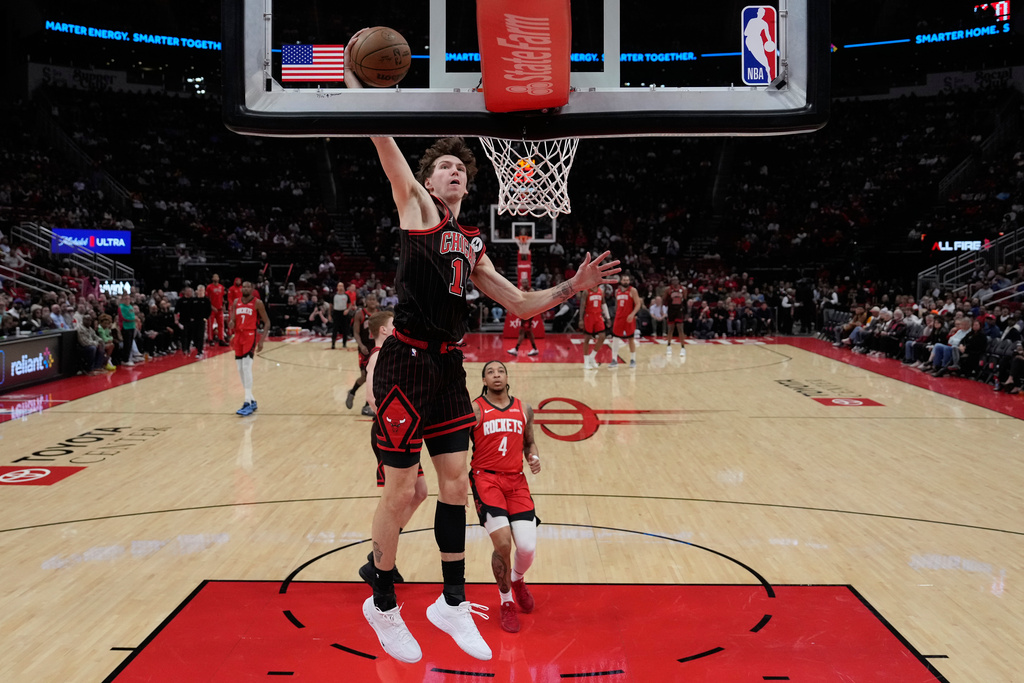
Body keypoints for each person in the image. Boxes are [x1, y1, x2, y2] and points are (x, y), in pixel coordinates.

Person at [347, 55, 619, 665]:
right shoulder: (415, 211)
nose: (452, 173)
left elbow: (520, 302)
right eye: (443, 166)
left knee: (451, 485)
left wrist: (573, 286)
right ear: (427, 179)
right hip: (404, 363)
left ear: (469, 185)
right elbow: (383, 142)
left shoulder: (471, 244)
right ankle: (382, 600)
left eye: (459, 170)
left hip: (448, 367)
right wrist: (355, 83)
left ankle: (448, 601)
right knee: (399, 491)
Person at [357, 310, 428, 586]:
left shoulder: (388, 354)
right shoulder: (378, 355)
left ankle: (382, 551)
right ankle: (379, 561)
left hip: (402, 430)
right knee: (397, 496)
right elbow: (372, 396)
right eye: (393, 326)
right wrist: (391, 420)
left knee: (419, 492)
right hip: (391, 432)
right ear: (385, 331)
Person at [469, 360, 541, 634]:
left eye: (500, 371)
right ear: (484, 380)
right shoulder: (475, 409)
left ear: (507, 377)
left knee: (527, 548)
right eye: (490, 372)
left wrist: (533, 456)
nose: (496, 375)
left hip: (516, 481)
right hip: (486, 479)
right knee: (503, 545)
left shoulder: (524, 408)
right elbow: (457, 447)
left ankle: (518, 578)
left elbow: (529, 441)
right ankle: (507, 601)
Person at [228, 281, 271, 416]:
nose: (245, 288)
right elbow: (233, 320)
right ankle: (252, 400)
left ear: (252, 289)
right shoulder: (236, 302)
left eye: (248, 286)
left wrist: (262, 340)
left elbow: (267, 322)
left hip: (250, 335)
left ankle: (247, 402)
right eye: (244, 286)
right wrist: (231, 323)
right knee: (240, 369)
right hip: (238, 336)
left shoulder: (257, 303)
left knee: (246, 367)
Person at [347, 293, 381, 415]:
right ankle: (352, 392)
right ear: (366, 301)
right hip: (365, 348)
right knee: (365, 376)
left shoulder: (379, 314)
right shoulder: (360, 314)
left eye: (374, 299)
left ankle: (367, 406)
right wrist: (361, 346)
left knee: (373, 377)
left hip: (376, 349)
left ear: (377, 302)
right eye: (370, 299)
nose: (372, 301)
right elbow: (355, 333)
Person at [609, 274, 643, 369]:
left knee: (631, 338)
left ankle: (633, 359)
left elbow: (638, 304)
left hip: (629, 318)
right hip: (619, 318)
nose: (626, 282)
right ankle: (614, 360)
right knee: (615, 338)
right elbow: (618, 305)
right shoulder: (617, 291)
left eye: (627, 280)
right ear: (621, 281)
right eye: (624, 280)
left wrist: (632, 314)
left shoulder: (633, 290)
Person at [579, 285, 609, 369]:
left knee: (602, 336)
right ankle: (586, 362)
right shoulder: (586, 291)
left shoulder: (601, 291)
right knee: (587, 338)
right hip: (589, 316)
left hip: (598, 316)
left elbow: (603, 304)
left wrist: (608, 317)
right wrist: (580, 319)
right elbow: (582, 306)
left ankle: (592, 357)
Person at [177, 286, 212, 358]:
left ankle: (200, 351)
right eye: (199, 290)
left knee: (200, 335)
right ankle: (193, 347)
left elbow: (209, 310)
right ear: (197, 291)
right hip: (194, 321)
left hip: (201, 320)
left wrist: (205, 318)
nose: (200, 292)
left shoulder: (206, 300)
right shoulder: (193, 300)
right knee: (194, 335)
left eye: (202, 290)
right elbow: (190, 309)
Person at [507, 286, 540, 357]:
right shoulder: (523, 291)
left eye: (525, 282)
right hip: (526, 314)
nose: (523, 284)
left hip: (528, 314)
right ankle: (535, 349)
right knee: (528, 332)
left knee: (522, 331)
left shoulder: (531, 291)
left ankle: (516, 349)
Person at [663, 276, 688, 357]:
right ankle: (669, 346)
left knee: (680, 329)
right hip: (671, 310)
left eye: (676, 280)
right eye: (673, 280)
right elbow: (664, 300)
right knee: (670, 329)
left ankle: (683, 348)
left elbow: (685, 301)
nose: (675, 281)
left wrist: (686, 313)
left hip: (679, 310)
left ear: (678, 281)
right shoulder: (667, 289)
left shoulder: (683, 289)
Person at [207, 274, 228, 346]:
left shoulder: (221, 287)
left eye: (217, 277)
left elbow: (222, 297)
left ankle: (221, 339)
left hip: (220, 309)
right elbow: (207, 299)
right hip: (212, 309)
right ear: (212, 278)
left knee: (221, 324)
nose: (216, 278)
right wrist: (212, 307)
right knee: (210, 324)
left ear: (219, 278)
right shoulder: (209, 287)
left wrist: (223, 305)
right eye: (214, 277)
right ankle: (210, 339)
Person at [330, 282, 349, 349]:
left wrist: (347, 310)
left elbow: (350, 304)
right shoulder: (334, 295)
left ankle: (344, 343)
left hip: (343, 313)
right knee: (335, 329)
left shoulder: (346, 296)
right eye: (339, 286)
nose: (341, 287)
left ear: (343, 287)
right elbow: (331, 305)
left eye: (342, 286)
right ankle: (333, 344)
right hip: (336, 312)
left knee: (345, 329)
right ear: (337, 287)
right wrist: (329, 314)